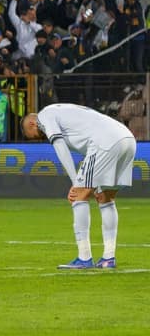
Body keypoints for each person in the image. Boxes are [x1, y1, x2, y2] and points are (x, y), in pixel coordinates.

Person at [21, 104, 136, 269]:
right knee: (105, 197)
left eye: (31, 136)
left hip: (105, 140)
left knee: (78, 197)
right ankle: (108, 258)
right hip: (127, 138)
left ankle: (84, 258)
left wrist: (76, 183)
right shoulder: (63, 110)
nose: (37, 138)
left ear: (32, 124)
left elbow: (60, 146)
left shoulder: (44, 116)